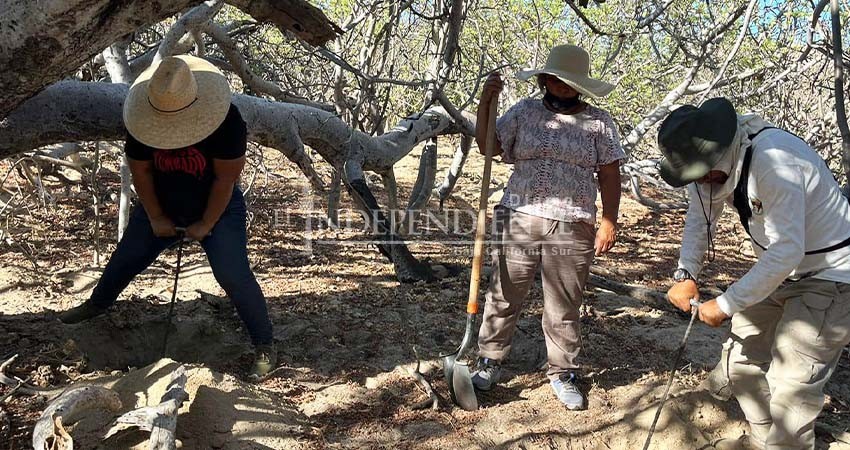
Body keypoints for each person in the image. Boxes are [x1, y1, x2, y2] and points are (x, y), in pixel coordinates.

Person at [59, 55, 277, 379]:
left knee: (233, 273)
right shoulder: (140, 120)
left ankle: (264, 345)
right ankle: (97, 306)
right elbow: (142, 173)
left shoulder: (227, 121)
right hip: (159, 203)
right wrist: (157, 216)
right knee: (126, 258)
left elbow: (224, 180)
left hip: (218, 206)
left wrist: (205, 224)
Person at [660, 97, 850, 449]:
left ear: (719, 155)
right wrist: (685, 271)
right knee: (737, 364)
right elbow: (699, 220)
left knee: (791, 387)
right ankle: (764, 440)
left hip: (833, 275)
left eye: (702, 176)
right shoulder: (706, 167)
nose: (701, 184)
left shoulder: (773, 160)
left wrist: (727, 304)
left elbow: (787, 250)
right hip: (782, 272)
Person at [470, 44, 624, 410]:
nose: (562, 86)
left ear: (581, 85)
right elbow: (487, 145)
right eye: (555, 78)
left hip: (574, 221)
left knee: (564, 303)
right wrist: (485, 105)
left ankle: (563, 371)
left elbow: (609, 172)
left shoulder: (598, 122)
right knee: (504, 291)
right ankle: (489, 359)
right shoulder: (523, 112)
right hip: (519, 214)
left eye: (570, 81)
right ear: (544, 79)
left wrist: (609, 220)